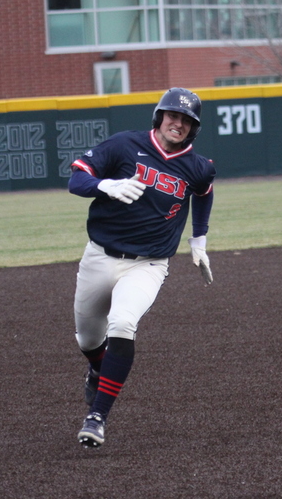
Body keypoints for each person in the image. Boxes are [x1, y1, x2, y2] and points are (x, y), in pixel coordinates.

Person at [68, 87, 216, 449]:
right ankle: (97, 366)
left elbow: (204, 193)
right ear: (159, 116)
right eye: (172, 116)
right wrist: (105, 184)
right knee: (88, 339)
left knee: (122, 323)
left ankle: (97, 417)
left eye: (186, 120)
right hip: (100, 256)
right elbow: (76, 179)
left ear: (194, 128)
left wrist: (199, 240)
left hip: (149, 264)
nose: (177, 124)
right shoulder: (124, 145)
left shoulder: (198, 166)